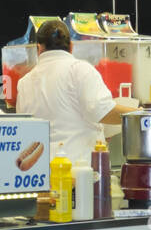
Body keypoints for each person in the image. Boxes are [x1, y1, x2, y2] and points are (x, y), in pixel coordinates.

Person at [14, 20, 136, 160]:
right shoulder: (80, 70)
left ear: (39, 48)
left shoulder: (24, 83)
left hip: (41, 171)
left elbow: (25, 129)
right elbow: (103, 111)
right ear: (71, 47)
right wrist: (140, 114)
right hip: (78, 171)